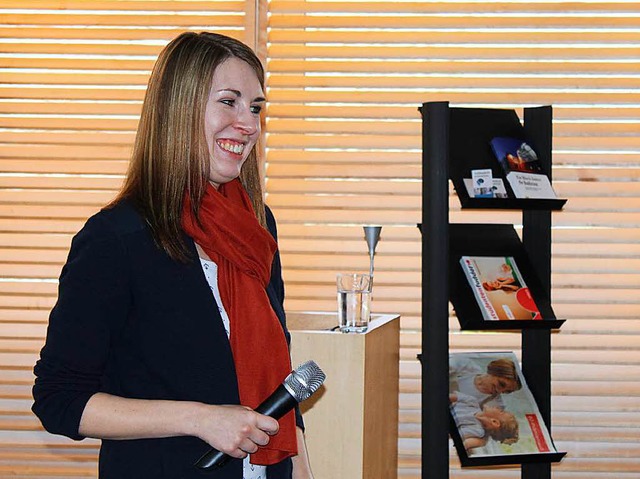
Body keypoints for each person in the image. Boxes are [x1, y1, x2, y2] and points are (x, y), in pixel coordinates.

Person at [31, 31, 314, 479]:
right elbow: (59, 401)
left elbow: (279, 385)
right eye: (229, 102)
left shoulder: (257, 225)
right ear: (179, 109)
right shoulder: (116, 238)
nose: (249, 124)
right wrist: (202, 419)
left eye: (256, 108)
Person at [449, 391, 519, 452]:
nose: (498, 407)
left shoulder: (477, 431)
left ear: (494, 422)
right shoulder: (472, 401)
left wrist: (482, 441)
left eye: (501, 411)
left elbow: (456, 436)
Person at [449, 355, 522, 409]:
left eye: (507, 391)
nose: (499, 391)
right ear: (494, 371)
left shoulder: (496, 405)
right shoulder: (465, 365)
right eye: (501, 384)